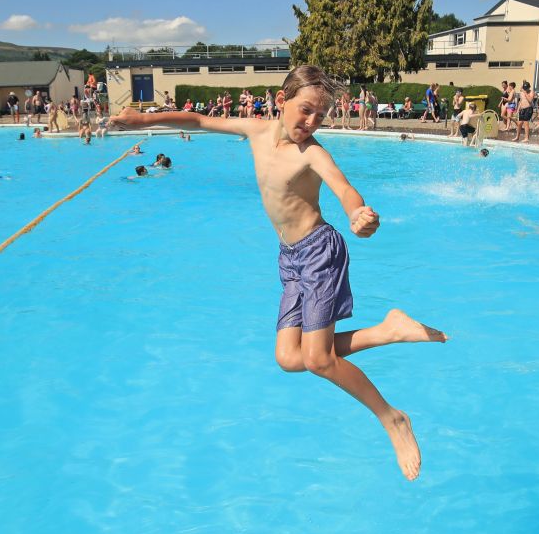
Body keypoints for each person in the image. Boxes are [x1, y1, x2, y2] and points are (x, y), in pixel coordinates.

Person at [111, 65, 446, 480]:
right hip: (290, 258)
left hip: (320, 252)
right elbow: (197, 119)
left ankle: (392, 419)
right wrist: (142, 120)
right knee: (290, 358)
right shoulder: (254, 129)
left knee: (319, 360)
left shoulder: (312, 153)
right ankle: (389, 330)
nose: (310, 123)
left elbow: (342, 187)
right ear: (280, 99)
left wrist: (358, 213)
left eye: (319, 117)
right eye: (305, 110)